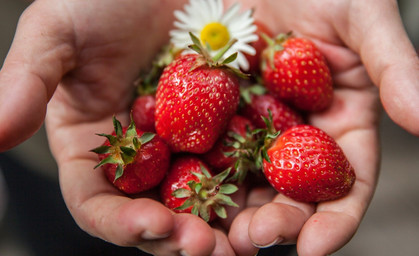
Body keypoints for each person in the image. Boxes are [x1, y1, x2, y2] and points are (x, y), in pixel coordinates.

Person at [0, 0, 418, 255]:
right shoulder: (205, 87)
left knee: (266, 239)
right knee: (58, 233)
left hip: (232, 188)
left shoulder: (227, 92)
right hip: (44, 155)